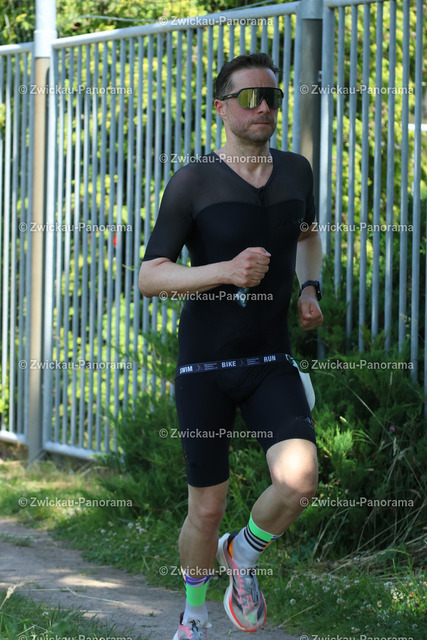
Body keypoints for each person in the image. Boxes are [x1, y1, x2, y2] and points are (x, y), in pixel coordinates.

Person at [139, 52, 323, 640]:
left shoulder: (297, 171)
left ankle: (241, 553)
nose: (263, 106)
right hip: (205, 365)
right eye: (249, 97)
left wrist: (309, 287)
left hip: (270, 359)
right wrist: (224, 271)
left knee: (299, 481)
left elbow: (308, 235)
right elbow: (150, 276)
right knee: (206, 506)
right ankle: (194, 617)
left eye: (272, 96)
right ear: (221, 107)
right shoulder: (193, 180)